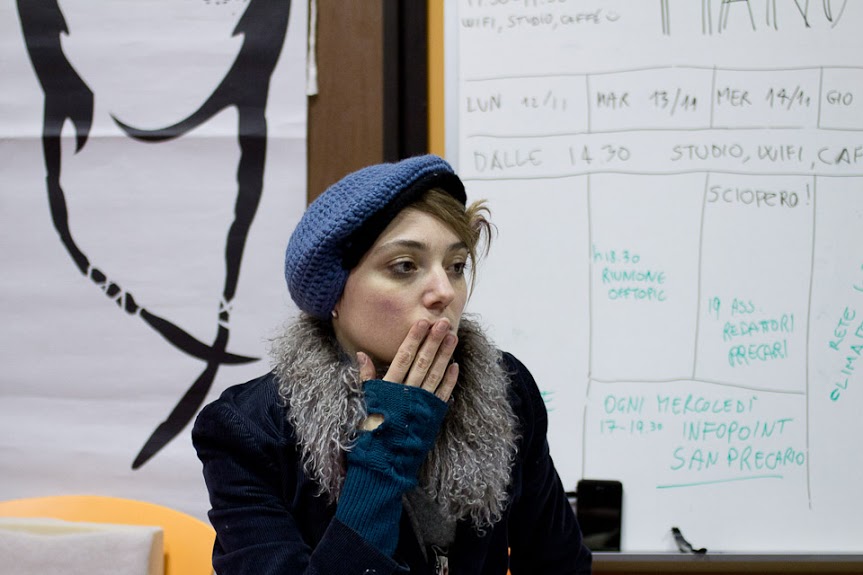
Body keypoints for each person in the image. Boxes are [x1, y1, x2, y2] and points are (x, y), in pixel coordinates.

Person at [192, 154, 593, 574]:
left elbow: (561, 564)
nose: (444, 291)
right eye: (404, 266)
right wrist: (382, 455)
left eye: (456, 266)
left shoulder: (505, 389)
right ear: (334, 294)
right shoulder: (249, 429)